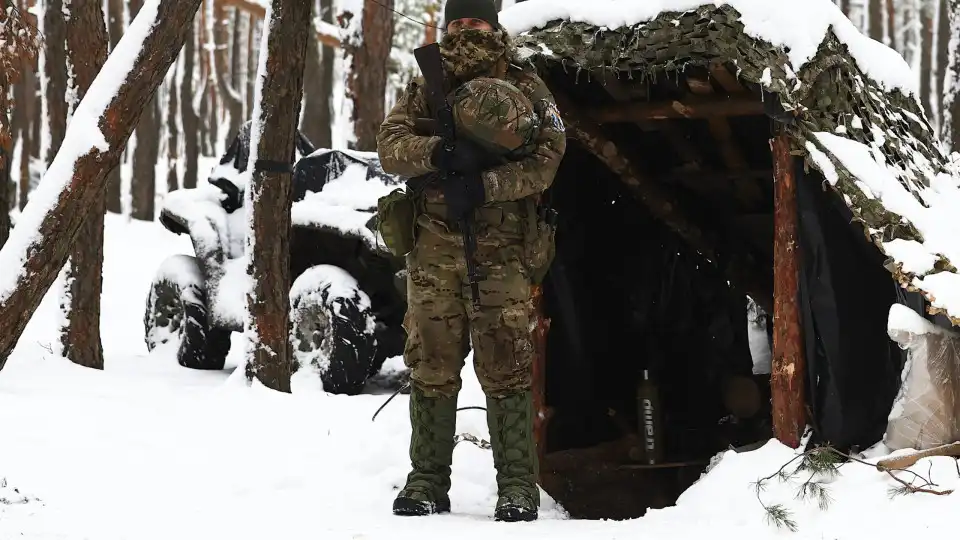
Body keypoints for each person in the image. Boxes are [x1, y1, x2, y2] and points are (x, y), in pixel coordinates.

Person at [375, 0, 566, 523]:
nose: (466, 32)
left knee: (507, 366)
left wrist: (486, 185)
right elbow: (389, 147)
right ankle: (427, 481)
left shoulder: (525, 85)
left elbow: (548, 159)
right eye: (457, 22)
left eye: (476, 22)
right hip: (434, 249)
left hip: (502, 249)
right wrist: (439, 154)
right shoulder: (424, 85)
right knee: (431, 365)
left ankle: (518, 487)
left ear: (494, 26)